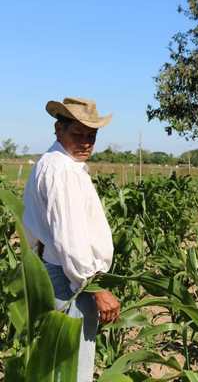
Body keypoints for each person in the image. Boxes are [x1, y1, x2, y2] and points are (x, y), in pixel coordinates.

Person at [23, 97, 121, 382]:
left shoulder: (58, 163)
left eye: (91, 136)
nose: (86, 142)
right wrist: (96, 288)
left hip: (64, 275)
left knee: (60, 364)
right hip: (70, 281)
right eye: (77, 134)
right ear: (58, 129)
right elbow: (70, 239)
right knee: (73, 368)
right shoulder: (61, 170)